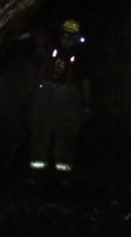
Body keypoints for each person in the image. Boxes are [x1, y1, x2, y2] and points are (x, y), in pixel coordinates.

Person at [27, 18, 90, 185]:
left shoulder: (81, 56)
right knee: (41, 133)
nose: (67, 39)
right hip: (46, 96)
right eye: (65, 35)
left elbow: (85, 80)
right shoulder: (49, 49)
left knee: (66, 136)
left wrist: (86, 104)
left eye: (71, 36)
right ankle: (36, 173)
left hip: (68, 99)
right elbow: (37, 60)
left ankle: (63, 175)